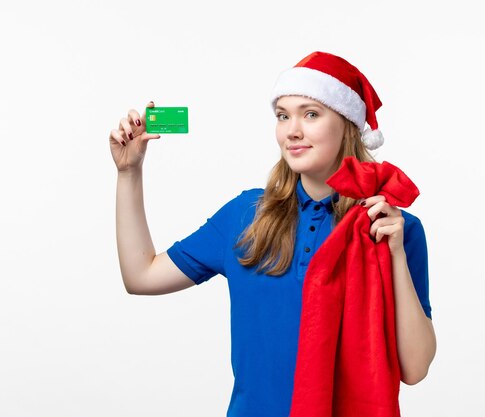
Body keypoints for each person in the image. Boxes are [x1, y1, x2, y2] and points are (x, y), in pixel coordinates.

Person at [109, 51, 436, 417]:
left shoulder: (392, 228)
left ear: (346, 124)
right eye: (283, 116)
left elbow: (416, 368)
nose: (292, 130)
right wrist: (129, 174)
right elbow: (141, 275)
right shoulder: (246, 215)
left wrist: (394, 254)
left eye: (311, 114)